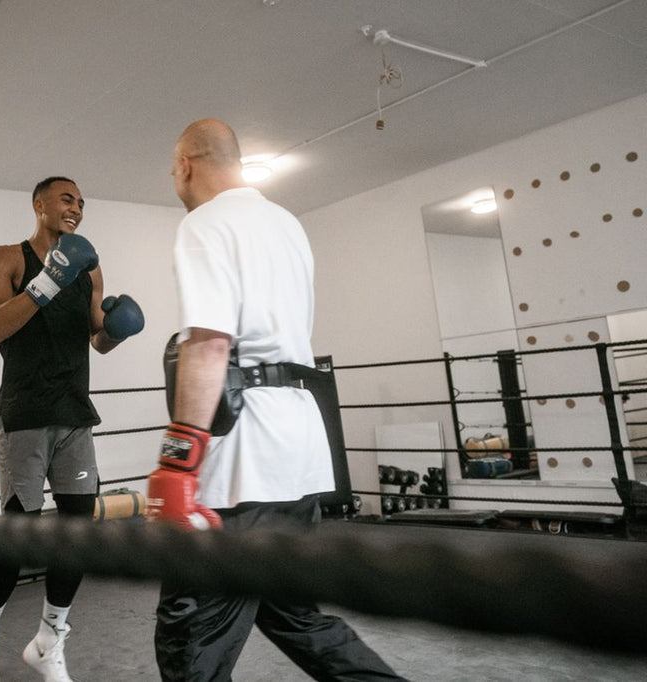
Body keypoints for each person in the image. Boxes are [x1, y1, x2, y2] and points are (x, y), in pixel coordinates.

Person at [146, 119, 403, 681]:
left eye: (172, 168)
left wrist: (177, 457)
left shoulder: (205, 224)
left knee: (190, 633)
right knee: (296, 617)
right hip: (298, 444)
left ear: (186, 163)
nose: (173, 178)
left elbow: (210, 343)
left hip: (244, 454)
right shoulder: (287, 223)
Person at [0, 176, 144, 681]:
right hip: (23, 414)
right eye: (68, 199)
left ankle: (48, 642)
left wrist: (118, 328)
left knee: (77, 535)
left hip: (74, 416)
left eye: (83, 203)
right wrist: (48, 279)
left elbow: (98, 340)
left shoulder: (90, 270)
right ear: (39, 204)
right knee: (16, 542)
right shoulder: (6, 258)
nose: (77, 208)